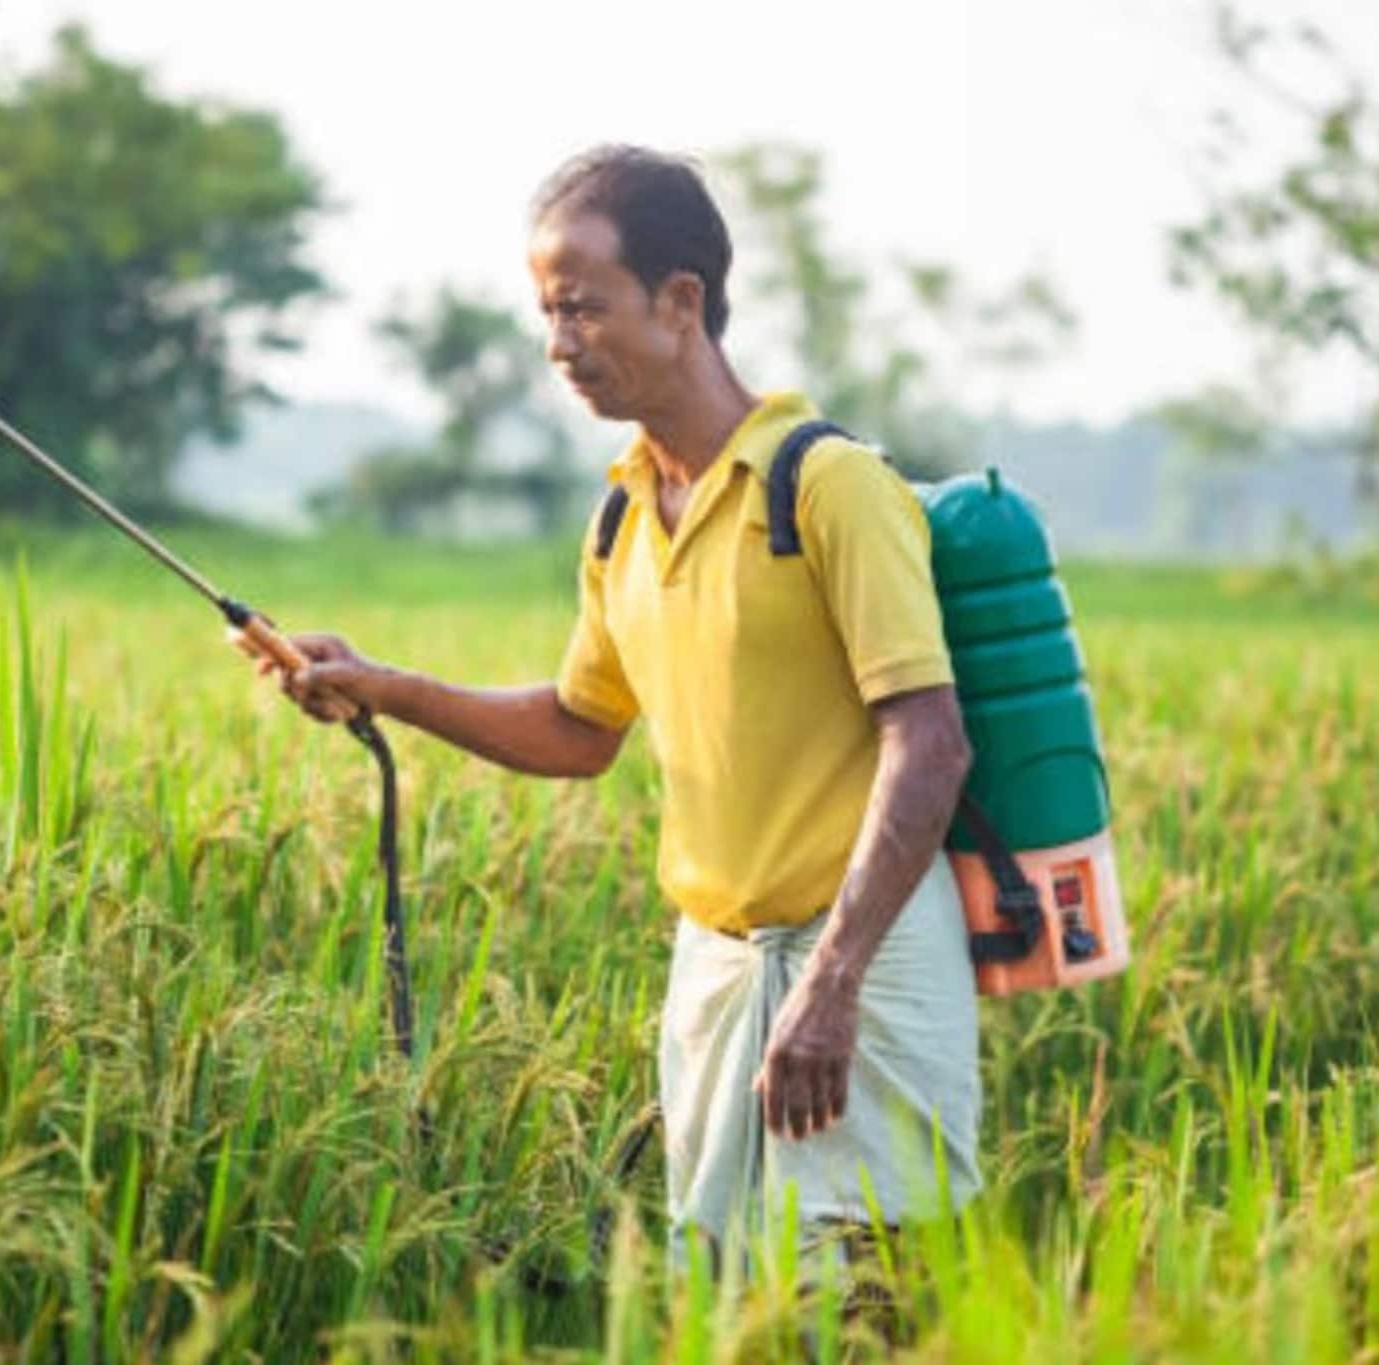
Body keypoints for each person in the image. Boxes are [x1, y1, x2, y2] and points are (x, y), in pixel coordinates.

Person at [251, 145, 981, 1290]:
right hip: (717, 975)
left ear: (679, 300)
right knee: (717, 1296)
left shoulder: (828, 487)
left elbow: (927, 742)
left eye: (582, 307)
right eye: (546, 313)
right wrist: (383, 686)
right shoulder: (622, 517)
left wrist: (833, 984)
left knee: (859, 1295)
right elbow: (578, 730)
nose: (557, 344)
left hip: (863, 970)